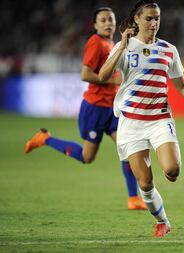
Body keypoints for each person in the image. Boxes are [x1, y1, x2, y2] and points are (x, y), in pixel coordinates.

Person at [99, 0, 184, 237]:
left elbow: (182, 86)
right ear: (136, 19)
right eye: (148, 18)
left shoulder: (168, 49)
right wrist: (121, 47)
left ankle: (167, 167)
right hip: (131, 123)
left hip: (159, 120)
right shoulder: (125, 46)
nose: (154, 23)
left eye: (157, 18)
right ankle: (162, 221)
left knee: (172, 170)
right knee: (144, 183)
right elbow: (104, 76)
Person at [24, 7, 146, 211]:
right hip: (95, 108)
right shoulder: (95, 43)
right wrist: (109, 79)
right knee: (87, 157)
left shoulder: (112, 44)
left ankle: (133, 198)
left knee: (127, 149)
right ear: (95, 25)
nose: (108, 23)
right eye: (103, 20)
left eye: (111, 20)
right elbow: (85, 74)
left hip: (112, 108)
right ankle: (44, 138)